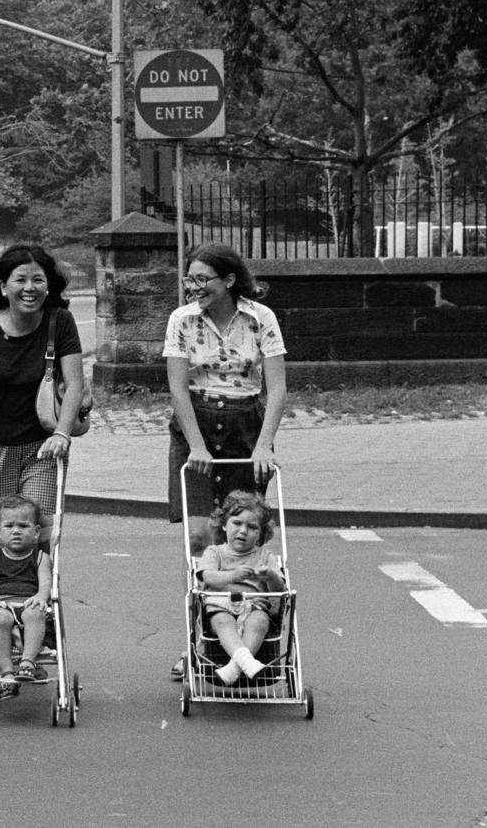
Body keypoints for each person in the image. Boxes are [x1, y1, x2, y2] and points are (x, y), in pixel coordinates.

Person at [164, 242, 285, 680]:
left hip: (244, 427)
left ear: (229, 280)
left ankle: (245, 638)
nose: (193, 287)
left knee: (242, 534)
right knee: (199, 542)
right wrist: (195, 445)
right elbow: (178, 389)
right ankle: (197, 641)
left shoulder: (260, 319)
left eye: (202, 279)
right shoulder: (182, 320)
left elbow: (276, 387)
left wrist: (264, 445)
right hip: (196, 425)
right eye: (189, 279)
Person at [0, 244, 85, 547]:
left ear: (48, 286)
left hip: (43, 449)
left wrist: (62, 433)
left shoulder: (59, 322)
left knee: (35, 532)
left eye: (38, 280)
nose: (29, 288)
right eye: (20, 280)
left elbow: (75, 383)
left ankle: (41, 591)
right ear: (3, 286)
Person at [195, 490, 286, 685]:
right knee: (222, 621)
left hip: (254, 605)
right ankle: (246, 663)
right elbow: (207, 576)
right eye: (237, 523)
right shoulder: (214, 552)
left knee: (261, 622)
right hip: (220, 604)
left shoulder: (265, 557)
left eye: (252, 527)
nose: (243, 531)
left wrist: (269, 575)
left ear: (261, 534)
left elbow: (280, 589)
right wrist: (233, 575)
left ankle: (234, 668)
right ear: (224, 526)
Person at [0, 495, 53, 696]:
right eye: (9, 526)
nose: (16, 531)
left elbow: (46, 582)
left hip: (29, 602)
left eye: (23, 526)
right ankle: (7, 673)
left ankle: (28, 663)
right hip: (1, 604)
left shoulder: (41, 557)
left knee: (35, 614)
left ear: (36, 532)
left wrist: (41, 596)